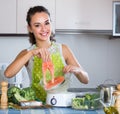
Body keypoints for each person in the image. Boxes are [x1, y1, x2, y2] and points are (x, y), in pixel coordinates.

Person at [4, 6, 89, 103]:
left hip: (61, 103)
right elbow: (8, 73)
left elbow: (85, 80)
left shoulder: (63, 49)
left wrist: (78, 71)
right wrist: (31, 53)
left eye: (47, 23)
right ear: (30, 28)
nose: (44, 29)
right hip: (37, 105)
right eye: (37, 25)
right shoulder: (27, 53)